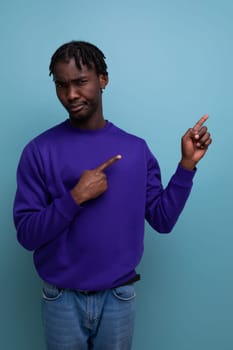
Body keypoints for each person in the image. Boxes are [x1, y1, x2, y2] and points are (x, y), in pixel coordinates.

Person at [13, 41, 212, 350]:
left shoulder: (135, 150)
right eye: (62, 85)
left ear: (102, 79)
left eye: (80, 82)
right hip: (61, 298)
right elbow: (27, 235)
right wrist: (75, 196)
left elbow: (162, 220)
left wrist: (186, 165)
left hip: (119, 298)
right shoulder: (39, 151)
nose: (71, 95)